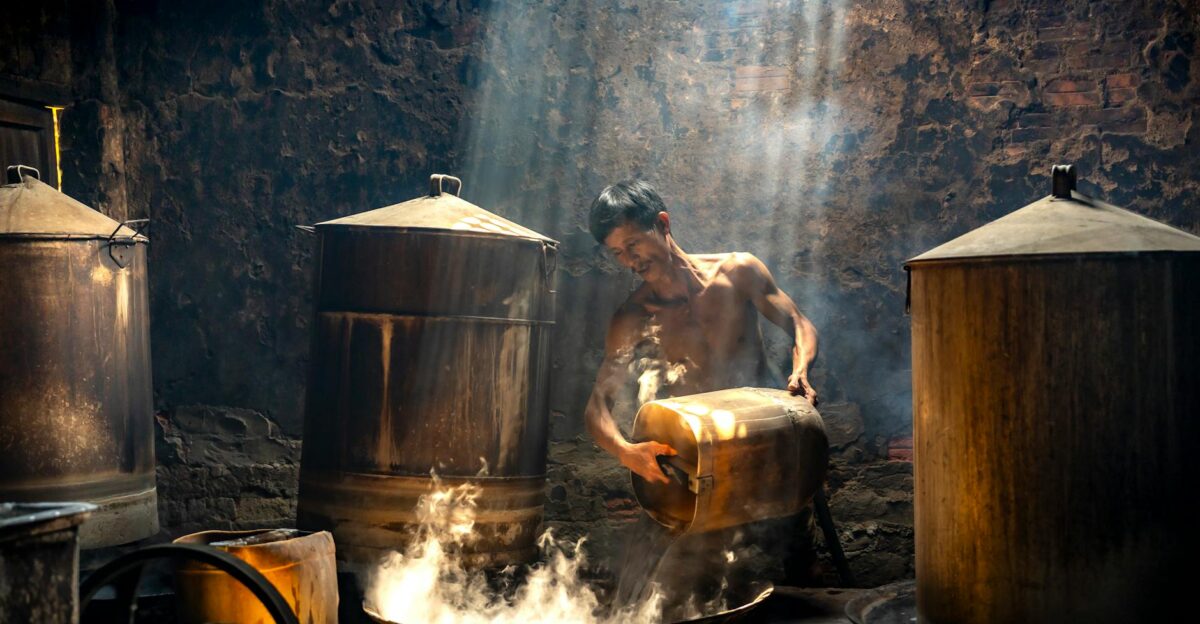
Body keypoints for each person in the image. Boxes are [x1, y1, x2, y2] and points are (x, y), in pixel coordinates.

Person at [583, 180, 819, 484]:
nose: (630, 260)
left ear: (662, 223)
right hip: (699, 467)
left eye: (632, 245)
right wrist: (624, 450)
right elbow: (598, 403)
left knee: (791, 528)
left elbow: (800, 323)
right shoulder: (633, 317)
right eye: (618, 253)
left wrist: (801, 371)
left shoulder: (738, 272)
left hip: (767, 441)